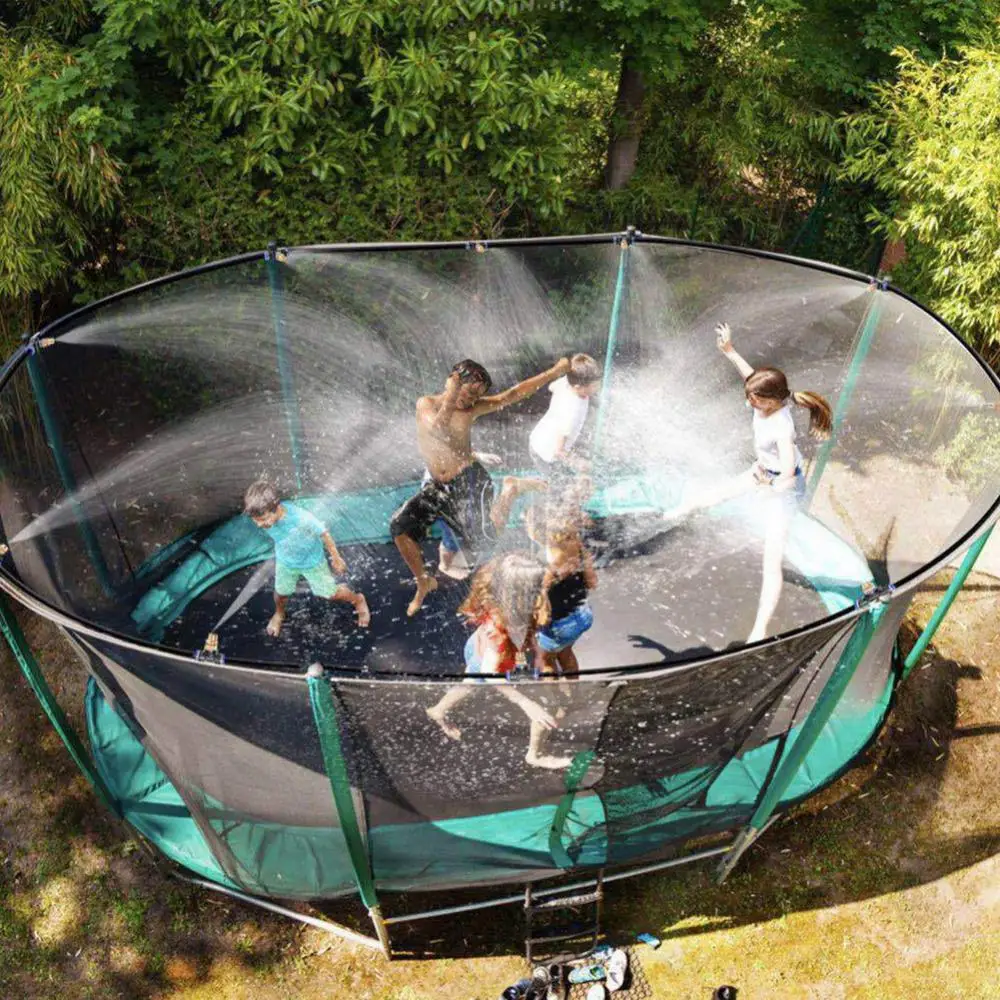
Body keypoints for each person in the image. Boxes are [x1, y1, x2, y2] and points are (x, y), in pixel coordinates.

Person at [665, 322, 832, 642]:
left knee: (772, 560)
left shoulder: (782, 427)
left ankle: (760, 628)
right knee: (715, 494)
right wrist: (729, 350)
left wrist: (769, 489)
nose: (749, 401)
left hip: (782, 488)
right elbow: (750, 375)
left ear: (770, 401)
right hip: (762, 472)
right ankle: (678, 513)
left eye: (754, 398)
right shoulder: (768, 397)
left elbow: (788, 474)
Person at [391, 357, 569, 616]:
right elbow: (438, 429)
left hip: (470, 482)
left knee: (486, 541)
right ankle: (423, 581)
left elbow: (512, 394)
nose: (470, 400)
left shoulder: (470, 410)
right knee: (400, 528)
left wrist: (554, 371)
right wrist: (452, 394)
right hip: (439, 485)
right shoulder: (426, 404)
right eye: (467, 391)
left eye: (477, 396)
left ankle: (511, 489)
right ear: (452, 382)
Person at [425, 551, 573, 769]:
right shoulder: (501, 628)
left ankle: (438, 709)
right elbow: (491, 674)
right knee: (543, 706)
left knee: (470, 682)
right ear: (524, 594)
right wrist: (526, 703)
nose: (547, 588)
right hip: (489, 658)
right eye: (541, 586)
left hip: (478, 647)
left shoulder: (504, 598)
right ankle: (535, 755)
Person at [244, 479, 370, 637]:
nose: (259, 525)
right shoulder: (264, 518)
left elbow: (324, 533)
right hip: (286, 562)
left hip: (312, 563)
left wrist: (336, 558)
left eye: (263, 520)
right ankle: (279, 613)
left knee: (331, 594)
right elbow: (265, 522)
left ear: (276, 508)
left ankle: (358, 599)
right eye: (255, 521)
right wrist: (263, 520)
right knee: (281, 593)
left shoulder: (301, 518)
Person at [529, 502, 598, 677]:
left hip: (559, 625)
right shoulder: (579, 547)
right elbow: (592, 582)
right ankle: (574, 686)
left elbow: (541, 605)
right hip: (582, 615)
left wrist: (537, 621)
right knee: (565, 652)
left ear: (539, 531)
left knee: (545, 660)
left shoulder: (549, 565)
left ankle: (552, 693)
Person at [528, 352, 601, 482]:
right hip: (545, 453)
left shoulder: (567, 382)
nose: (598, 387)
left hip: (538, 438)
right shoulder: (572, 413)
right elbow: (559, 451)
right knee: (560, 489)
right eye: (594, 385)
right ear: (578, 387)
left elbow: (551, 387)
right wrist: (578, 463)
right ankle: (525, 485)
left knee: (566, 481)